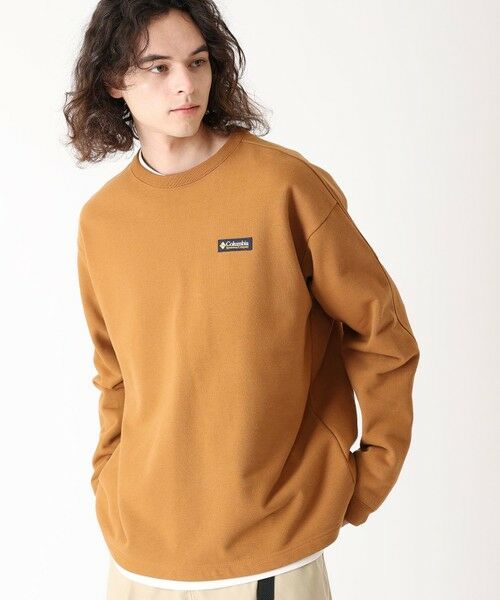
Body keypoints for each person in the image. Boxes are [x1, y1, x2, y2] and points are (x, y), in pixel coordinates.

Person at [64, 1, 420, 599]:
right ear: (113, 81)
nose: (185, 83)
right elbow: (114, 373)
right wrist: (111, 483)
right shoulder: (103, 221)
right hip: (139, 557)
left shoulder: (283, 186)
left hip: (270, 550)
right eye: (158, 67)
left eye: (198, 61)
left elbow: (381, 330)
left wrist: (372, 471)